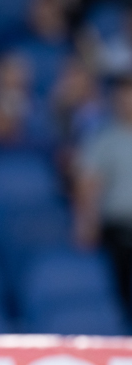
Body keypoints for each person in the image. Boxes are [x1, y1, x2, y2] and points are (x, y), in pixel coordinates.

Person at [75, 76, 132, 314]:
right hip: (118, 229)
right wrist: (86, 221)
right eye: (122, 96)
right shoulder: (103, 139)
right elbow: (88, 183)